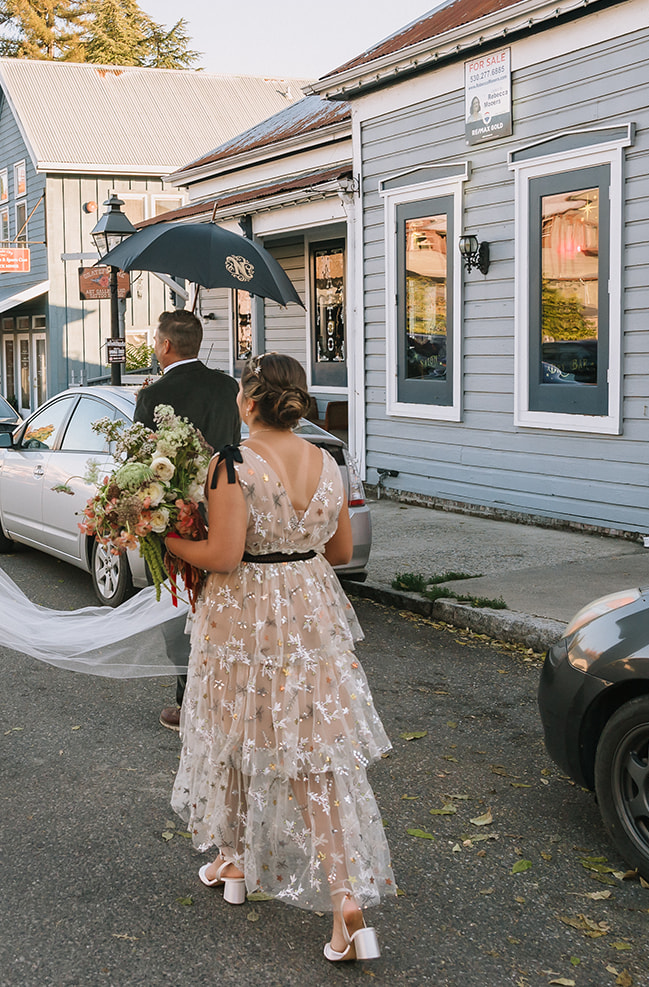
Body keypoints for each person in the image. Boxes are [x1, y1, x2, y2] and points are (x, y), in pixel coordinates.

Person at [163, 353, 394, 963]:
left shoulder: (232, 462)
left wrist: (166, 537)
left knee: (233, 733)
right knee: (315, 752)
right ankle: (341, 898)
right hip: (310, 611)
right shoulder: (327, 462)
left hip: (243, 616)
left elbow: (224, 554)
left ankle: (235, 863)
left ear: (247, 401)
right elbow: (341, 551)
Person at [132, 309, 242, 732]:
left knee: (178, 608)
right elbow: (231, 447)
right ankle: (222, 692)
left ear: (164, 345)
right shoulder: (227, 387)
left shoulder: (152, 394)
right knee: (221, 603)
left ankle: (189, 699)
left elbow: (140, 461)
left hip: (174, 518)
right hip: (226, 507)